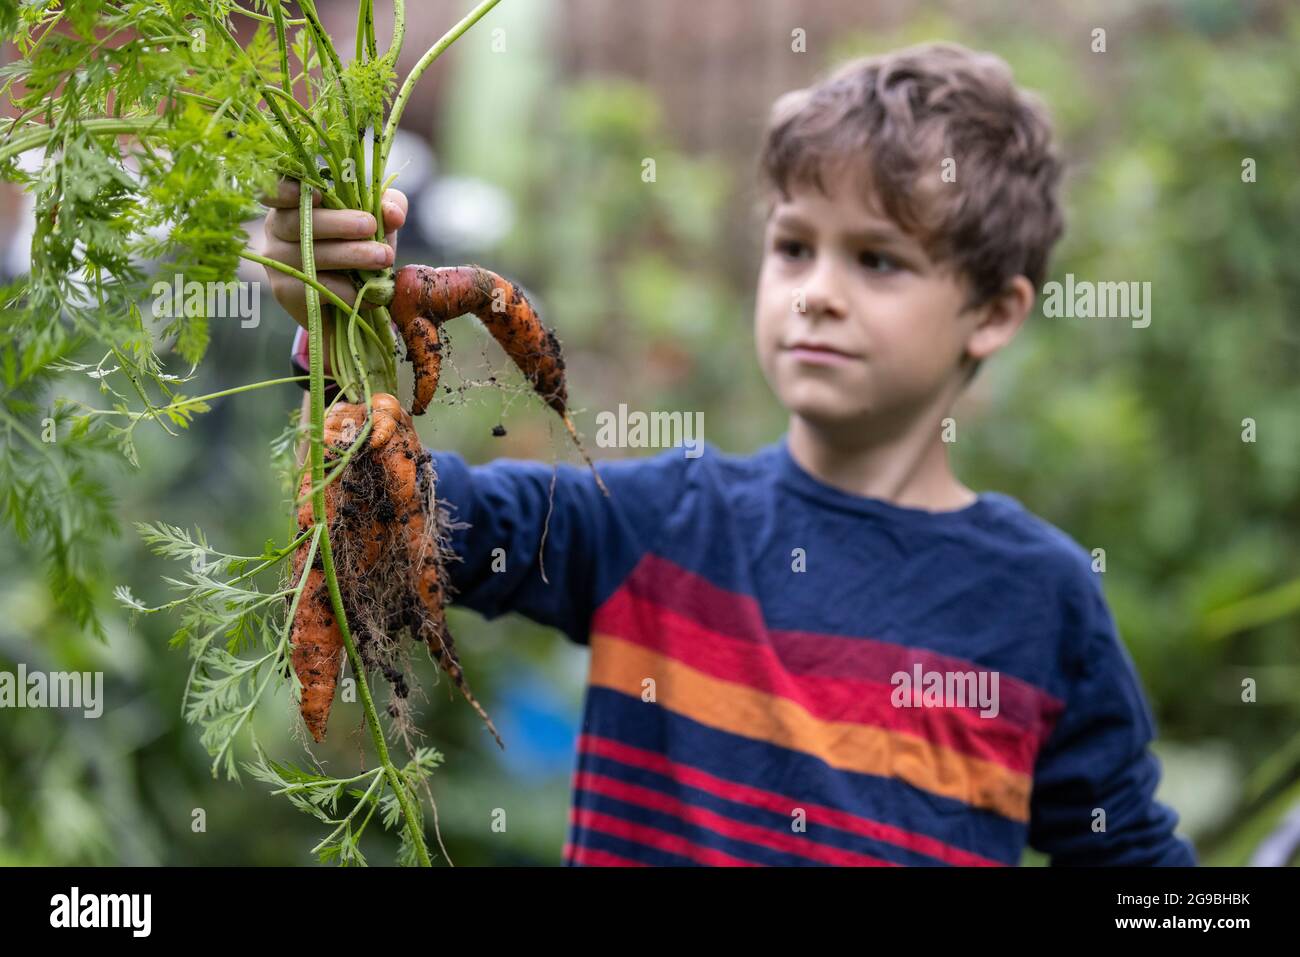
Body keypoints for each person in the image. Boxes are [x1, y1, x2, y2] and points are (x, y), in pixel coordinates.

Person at [261, 42, 1195, 867]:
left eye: (877, 261)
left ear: (993, 313)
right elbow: (409, 512)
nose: (815, 293)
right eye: (794, 248)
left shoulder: (1040, 600)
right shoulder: (662, 523)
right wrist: (332, 324)